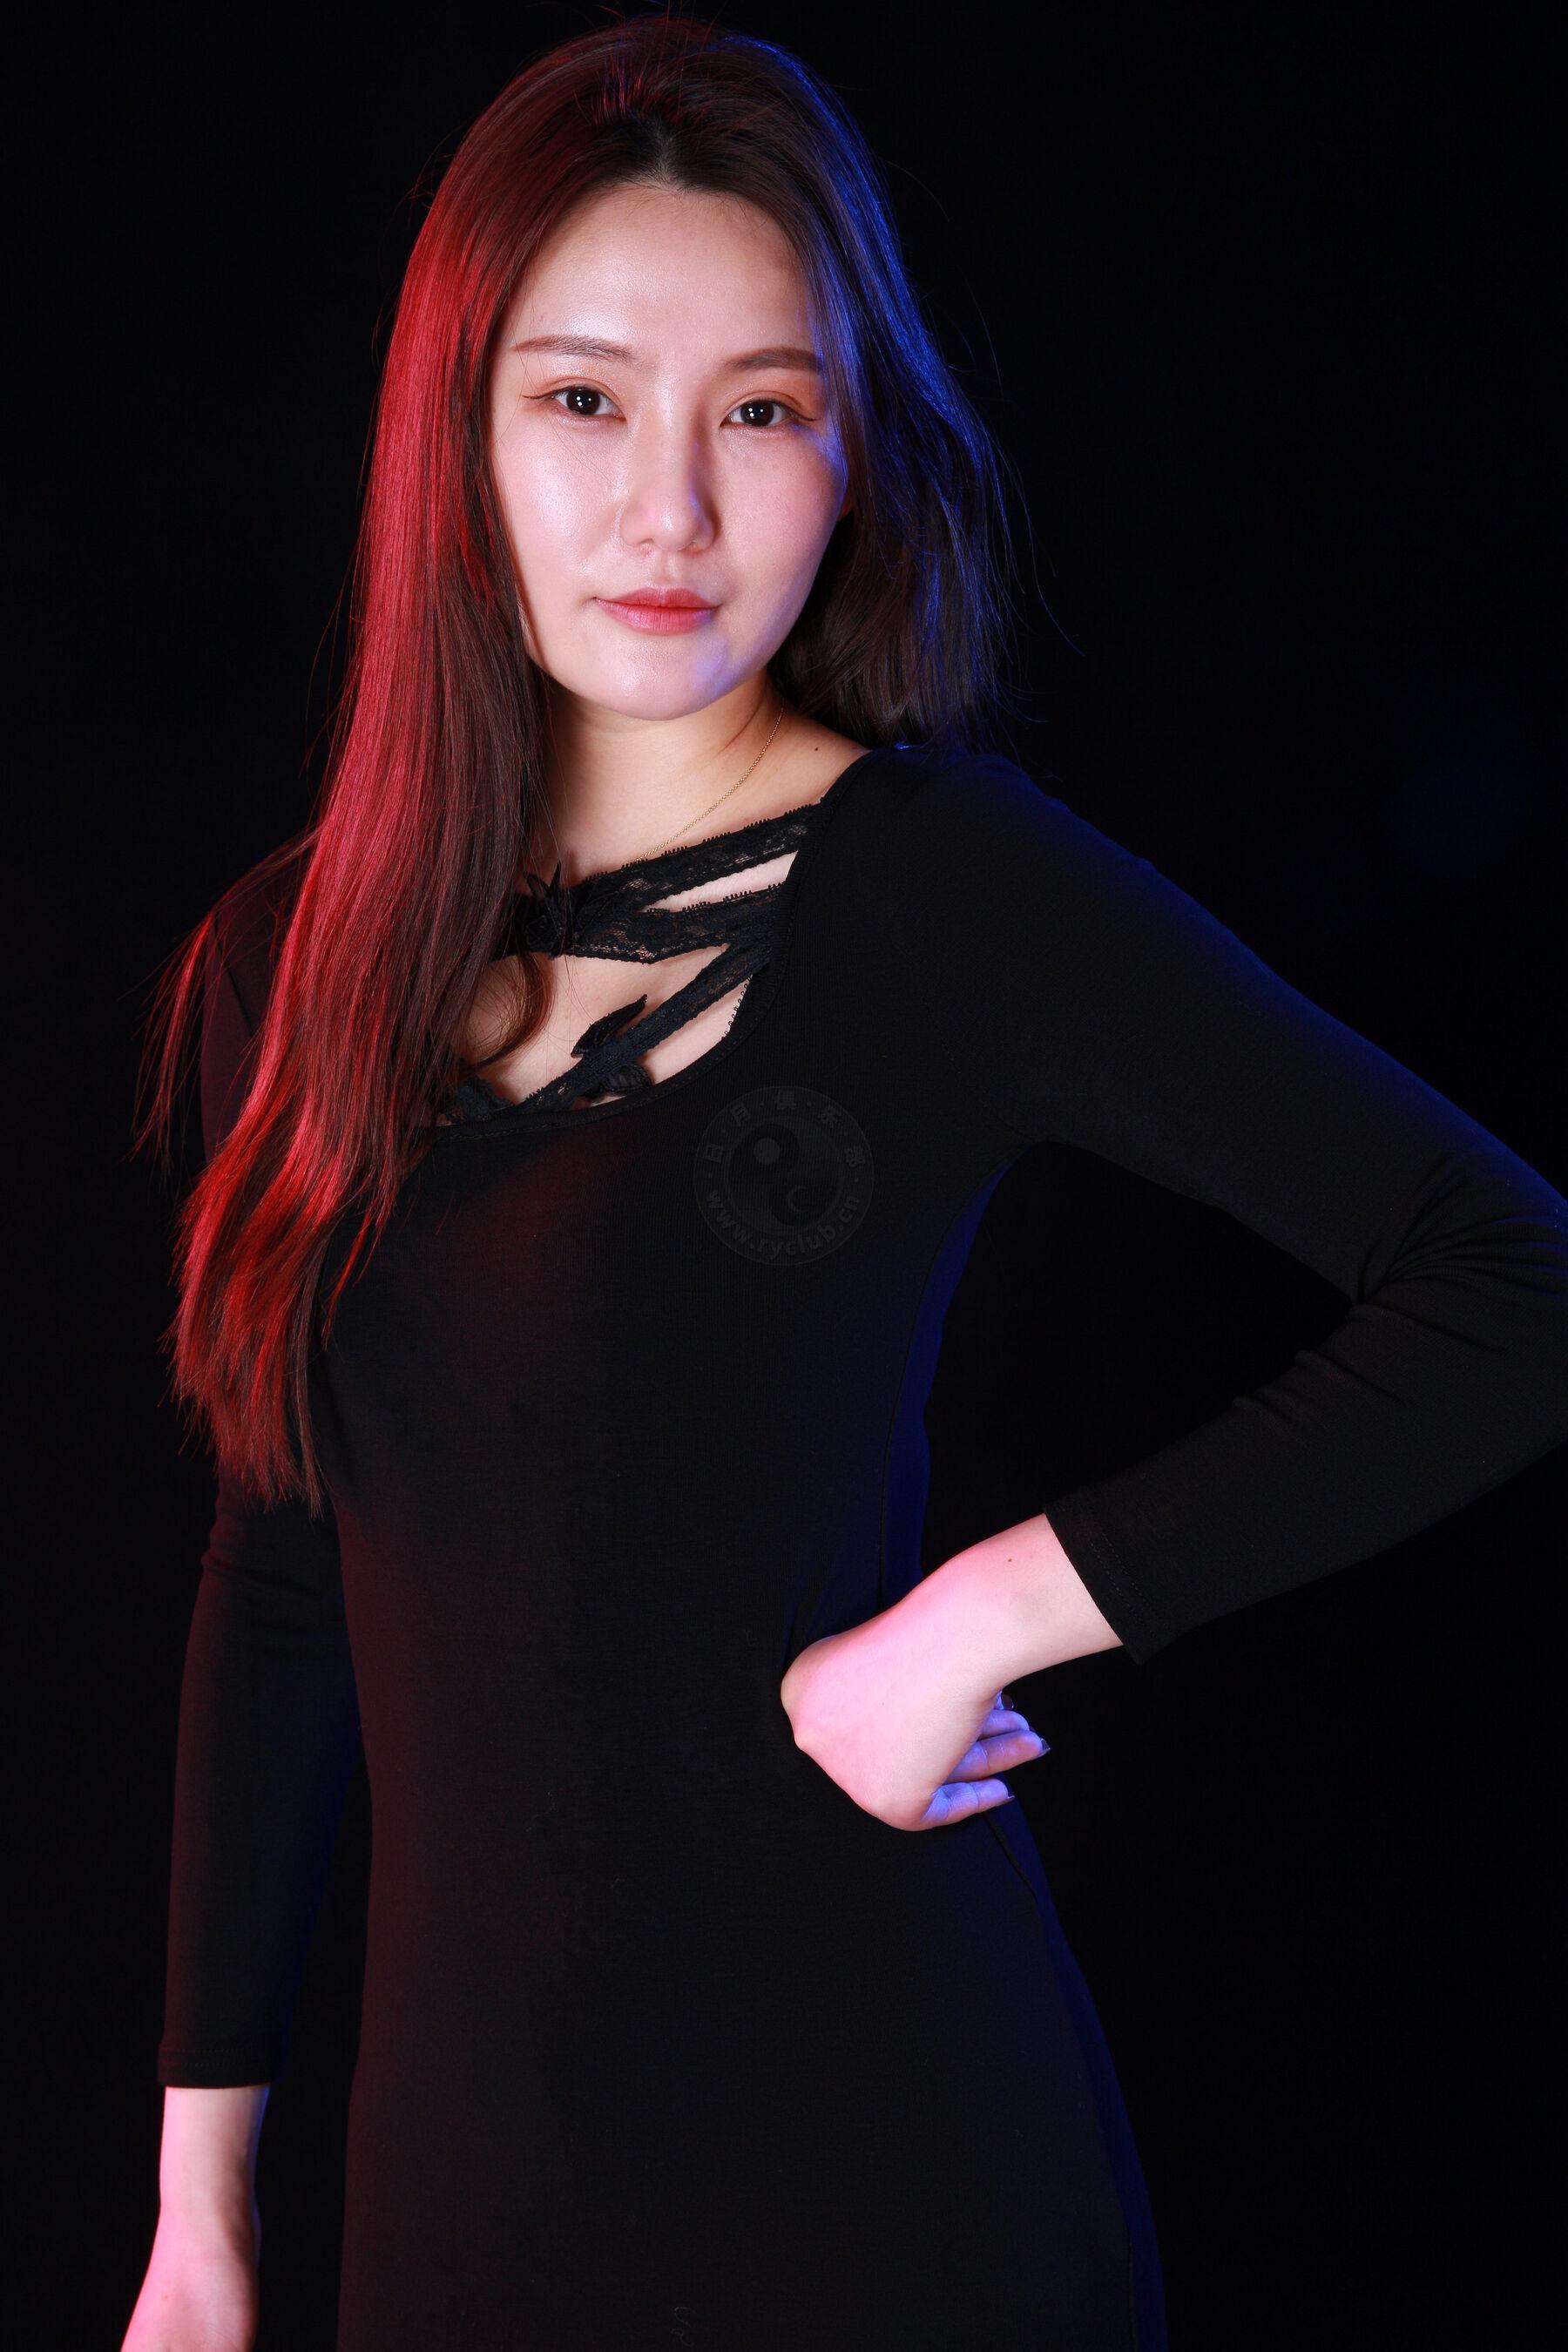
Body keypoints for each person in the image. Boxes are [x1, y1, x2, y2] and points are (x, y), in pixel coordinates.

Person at [122, 13, 1568, 2351]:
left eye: (765, 410)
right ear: (454, 436)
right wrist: (204, 2210)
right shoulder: (285, 966)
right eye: (583, 399)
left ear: (856, 451)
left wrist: (980, 1617)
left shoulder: (935, 891)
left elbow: (1512, 1277)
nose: (669, 512)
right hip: (457, 2204)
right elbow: (284, 1570)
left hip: (881, 2176)